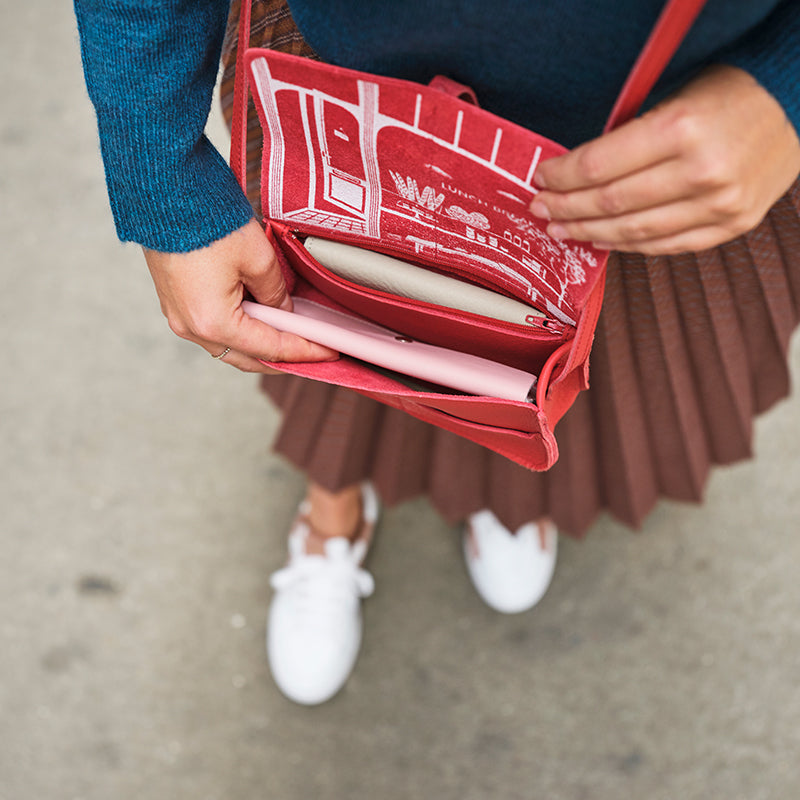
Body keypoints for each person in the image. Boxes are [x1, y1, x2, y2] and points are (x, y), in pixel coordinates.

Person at [73, 0, 800, 705]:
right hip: (348, 88)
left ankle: (508, 492)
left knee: (544, 371)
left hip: (668, 158)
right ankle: (334, 507)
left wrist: (785, 88)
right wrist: (164, 180)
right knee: (324, 330)